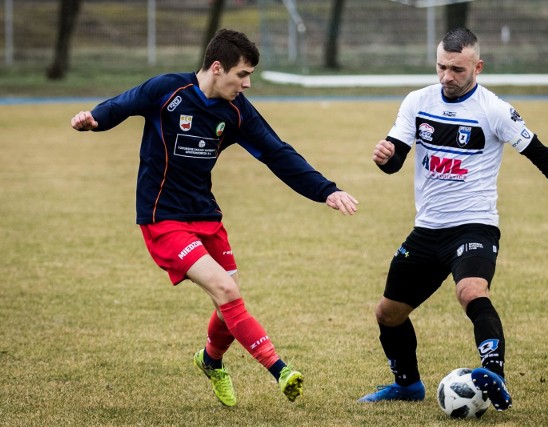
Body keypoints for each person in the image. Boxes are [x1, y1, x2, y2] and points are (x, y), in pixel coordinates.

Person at [71, 28, 358, 407]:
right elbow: (123, 104)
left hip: (206, 215)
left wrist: (326, 189)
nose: (248, 83)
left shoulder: (236, 111)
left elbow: (278, 153)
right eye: (243, 74)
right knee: (227, 291)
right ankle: (280, 368)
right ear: (217, 68)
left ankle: (210, 360)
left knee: (227, 305)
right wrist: (96, 119)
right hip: (162, 218)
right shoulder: (168, 91)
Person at [358, 27, 548, 410]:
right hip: (428, 228)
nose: (447, 77)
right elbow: (396, 157)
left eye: (457, 70)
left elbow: (542, 156)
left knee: (471, 291)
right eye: (441, 67)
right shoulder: (418, 101)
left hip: (475, 223)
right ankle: (407, 385)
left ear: (478, 67)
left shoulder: (494, 110)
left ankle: (493, 373)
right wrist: (387, 158)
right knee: (389, 313)